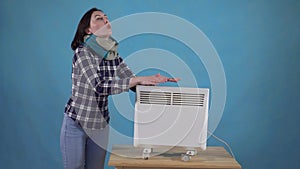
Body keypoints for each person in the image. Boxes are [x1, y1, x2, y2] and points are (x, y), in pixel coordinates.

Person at [60, 7, 180, 169]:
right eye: (99, 18)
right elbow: (99, 87)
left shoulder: (111, 54)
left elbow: (130, 80)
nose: (105, 20)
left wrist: (152, 82)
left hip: (99, 126)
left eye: (106, 17)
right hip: (77, 124)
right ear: (88, 29)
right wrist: (136, 80)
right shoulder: (83, 53)